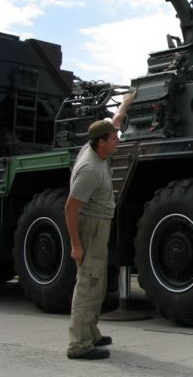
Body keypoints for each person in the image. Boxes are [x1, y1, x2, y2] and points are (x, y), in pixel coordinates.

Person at [65, 90, 135, 360]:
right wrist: (76, 246)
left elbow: (114, 121)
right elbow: (71, 209)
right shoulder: (90, 170)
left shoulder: (97, 146)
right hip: (91, 226)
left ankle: (91, 332)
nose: (119, 140)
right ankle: (79, 345)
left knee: (98, 282)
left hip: (100, 225)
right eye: (115, 138)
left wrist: (126, 102)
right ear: (102, 142)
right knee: (88, 283)